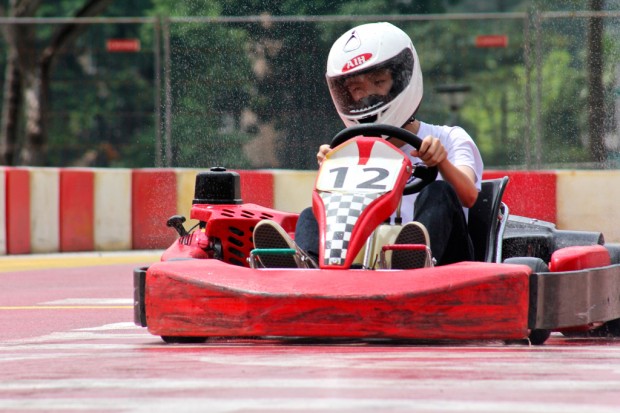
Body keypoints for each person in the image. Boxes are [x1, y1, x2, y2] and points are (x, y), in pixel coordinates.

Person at [253, 22, 483, 269]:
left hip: (446, 265)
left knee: (439, 192)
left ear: (400, 79)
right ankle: (309, 267)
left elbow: (469, 196)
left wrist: (441, 163)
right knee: (313, 214)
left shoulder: (450, 138)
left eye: (378, 81)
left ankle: (410, 259)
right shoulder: (352, 151)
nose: (367, 96)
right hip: (370, 264)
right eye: (356, 88)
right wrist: (333, 167)